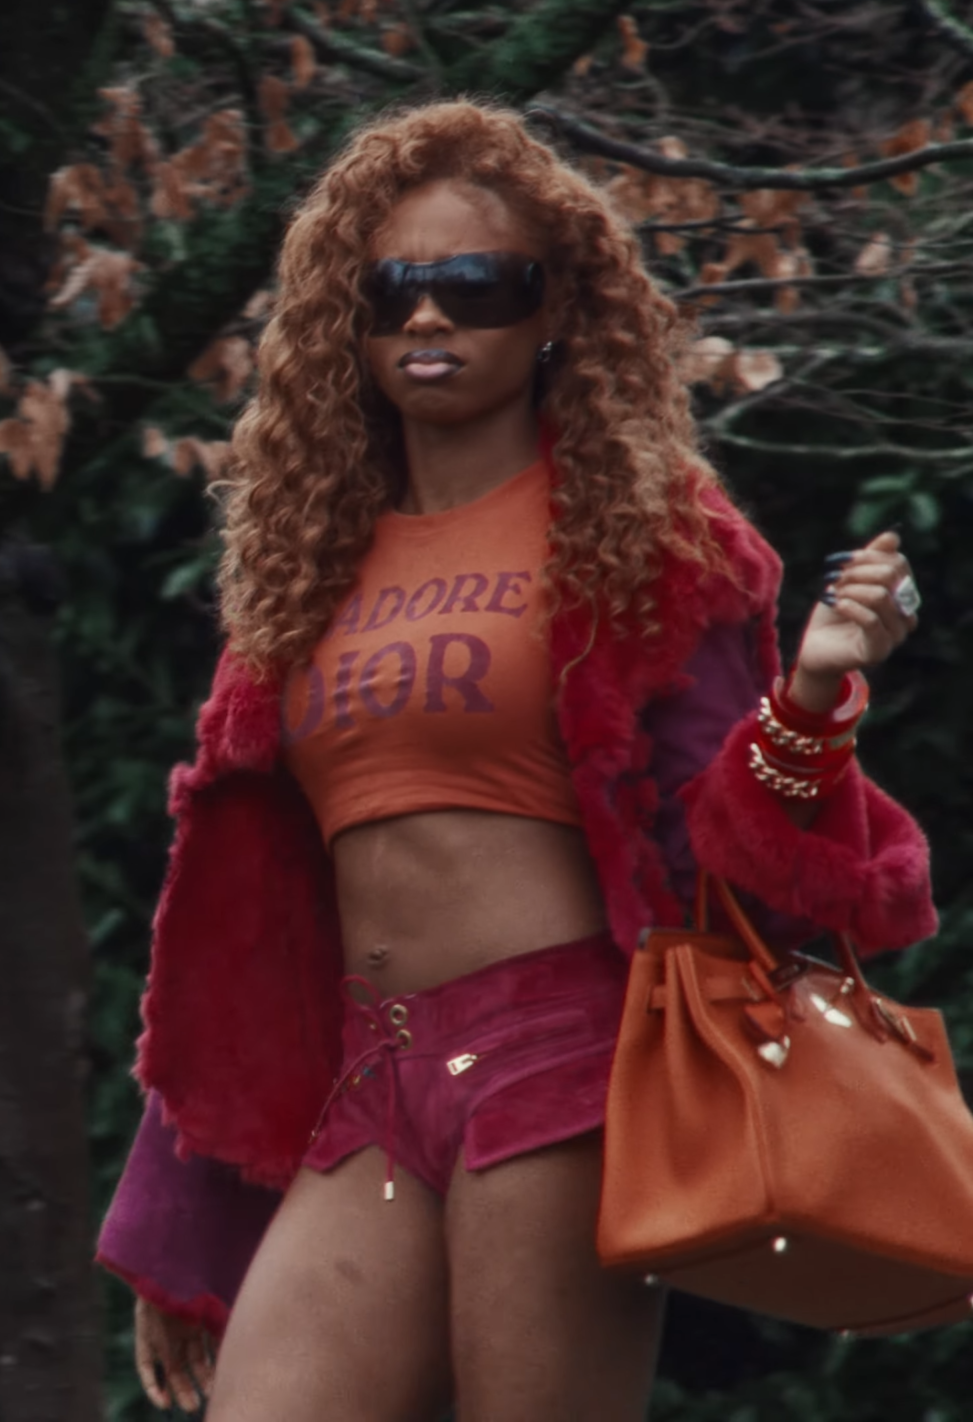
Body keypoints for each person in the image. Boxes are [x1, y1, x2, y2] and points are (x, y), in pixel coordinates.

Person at [96, 102, 934, 1420]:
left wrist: (815, 693)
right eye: (390, 291)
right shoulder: (300, 574)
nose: (428, 317)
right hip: (368, 1081)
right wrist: (183, 1211)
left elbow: (730, 873)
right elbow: (241, 925)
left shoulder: (650, 536)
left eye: (476, 285)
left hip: (561, 1057)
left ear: (553, 312)